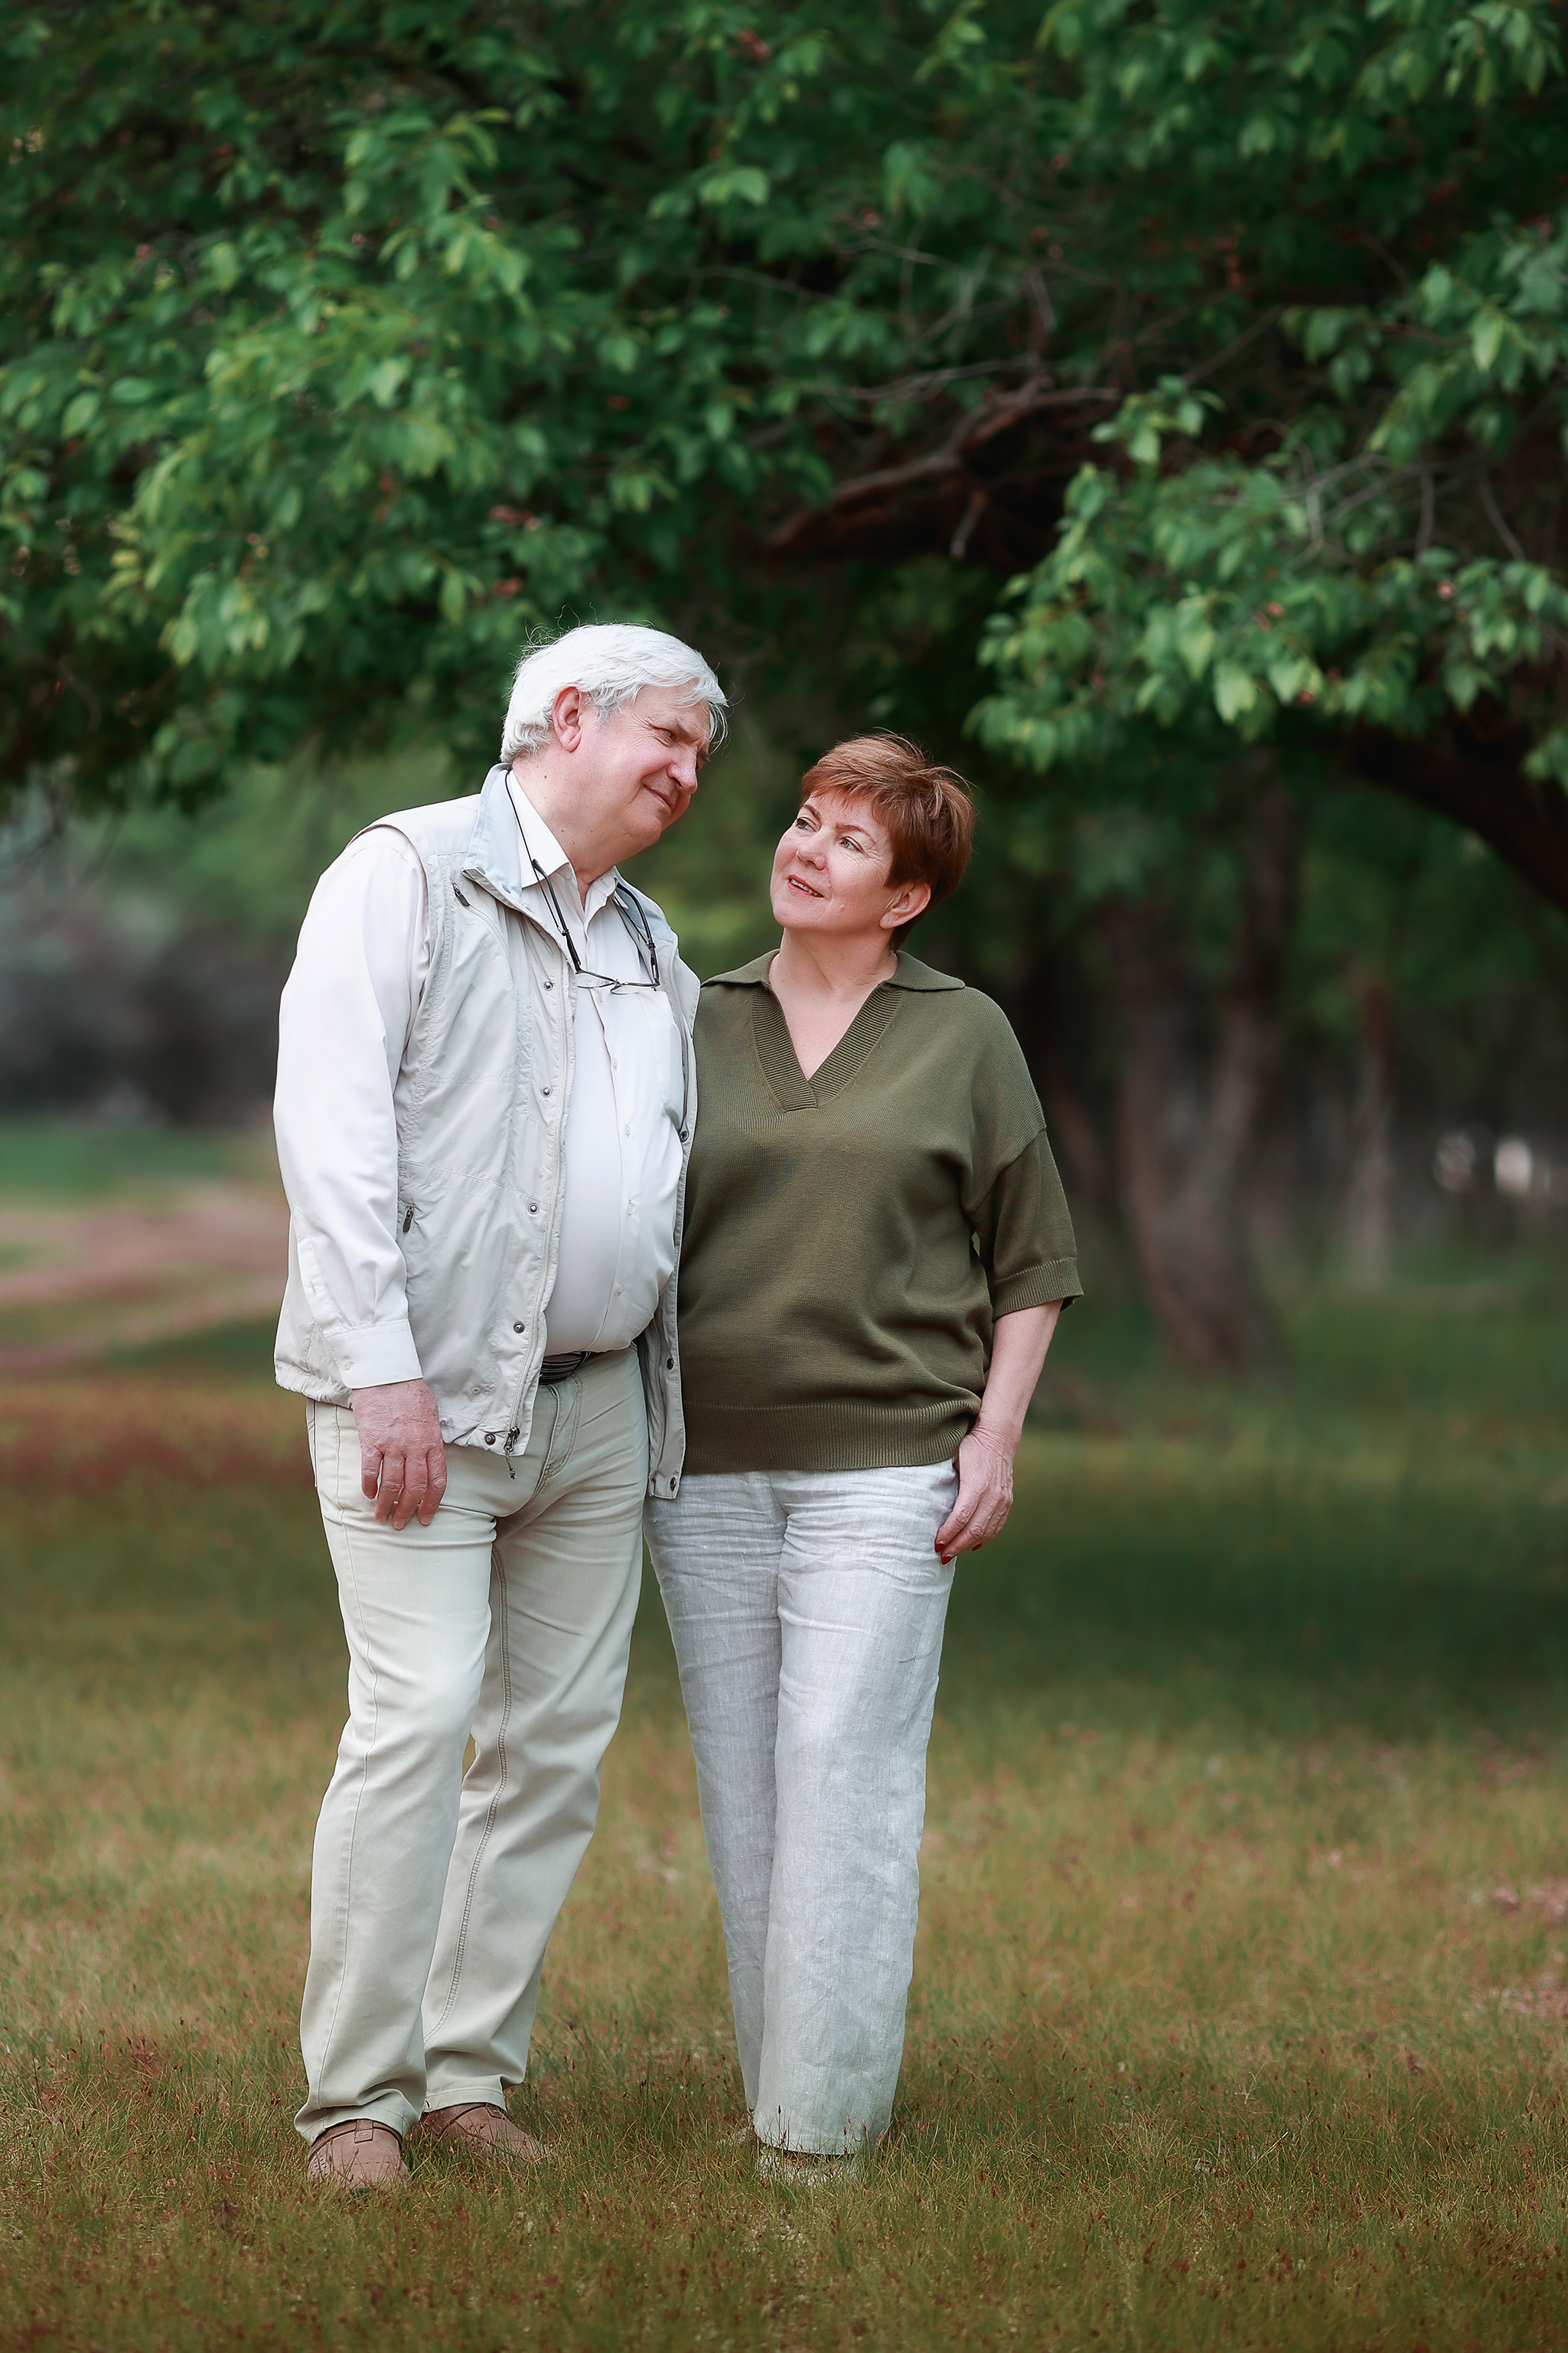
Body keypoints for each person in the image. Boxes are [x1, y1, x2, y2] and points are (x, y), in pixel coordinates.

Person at [272, 623, 724, 2189]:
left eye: (699, 756)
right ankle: (354, 2106)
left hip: (599, 1409)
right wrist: (379, 1362)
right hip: (421, 1397)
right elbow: (328, 1137)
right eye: (669, 737)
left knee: (553, 1752)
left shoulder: (649, 944)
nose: (687, 773)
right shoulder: (403, 874)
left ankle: (467, 2077)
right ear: (569, 715)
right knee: (413, 1725)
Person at [644, 733, 1081, 2178]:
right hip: (701, 1465)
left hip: (888, 1463)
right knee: (749, 1783)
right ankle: (787, 2086)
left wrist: (995, 1436)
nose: (804, 847)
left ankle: (815, 2138)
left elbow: (1031, 1259)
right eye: (802, 819)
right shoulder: (685, 1017)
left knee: (844, 1764)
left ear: (904, 898)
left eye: (846, 839)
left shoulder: (966, 1036)